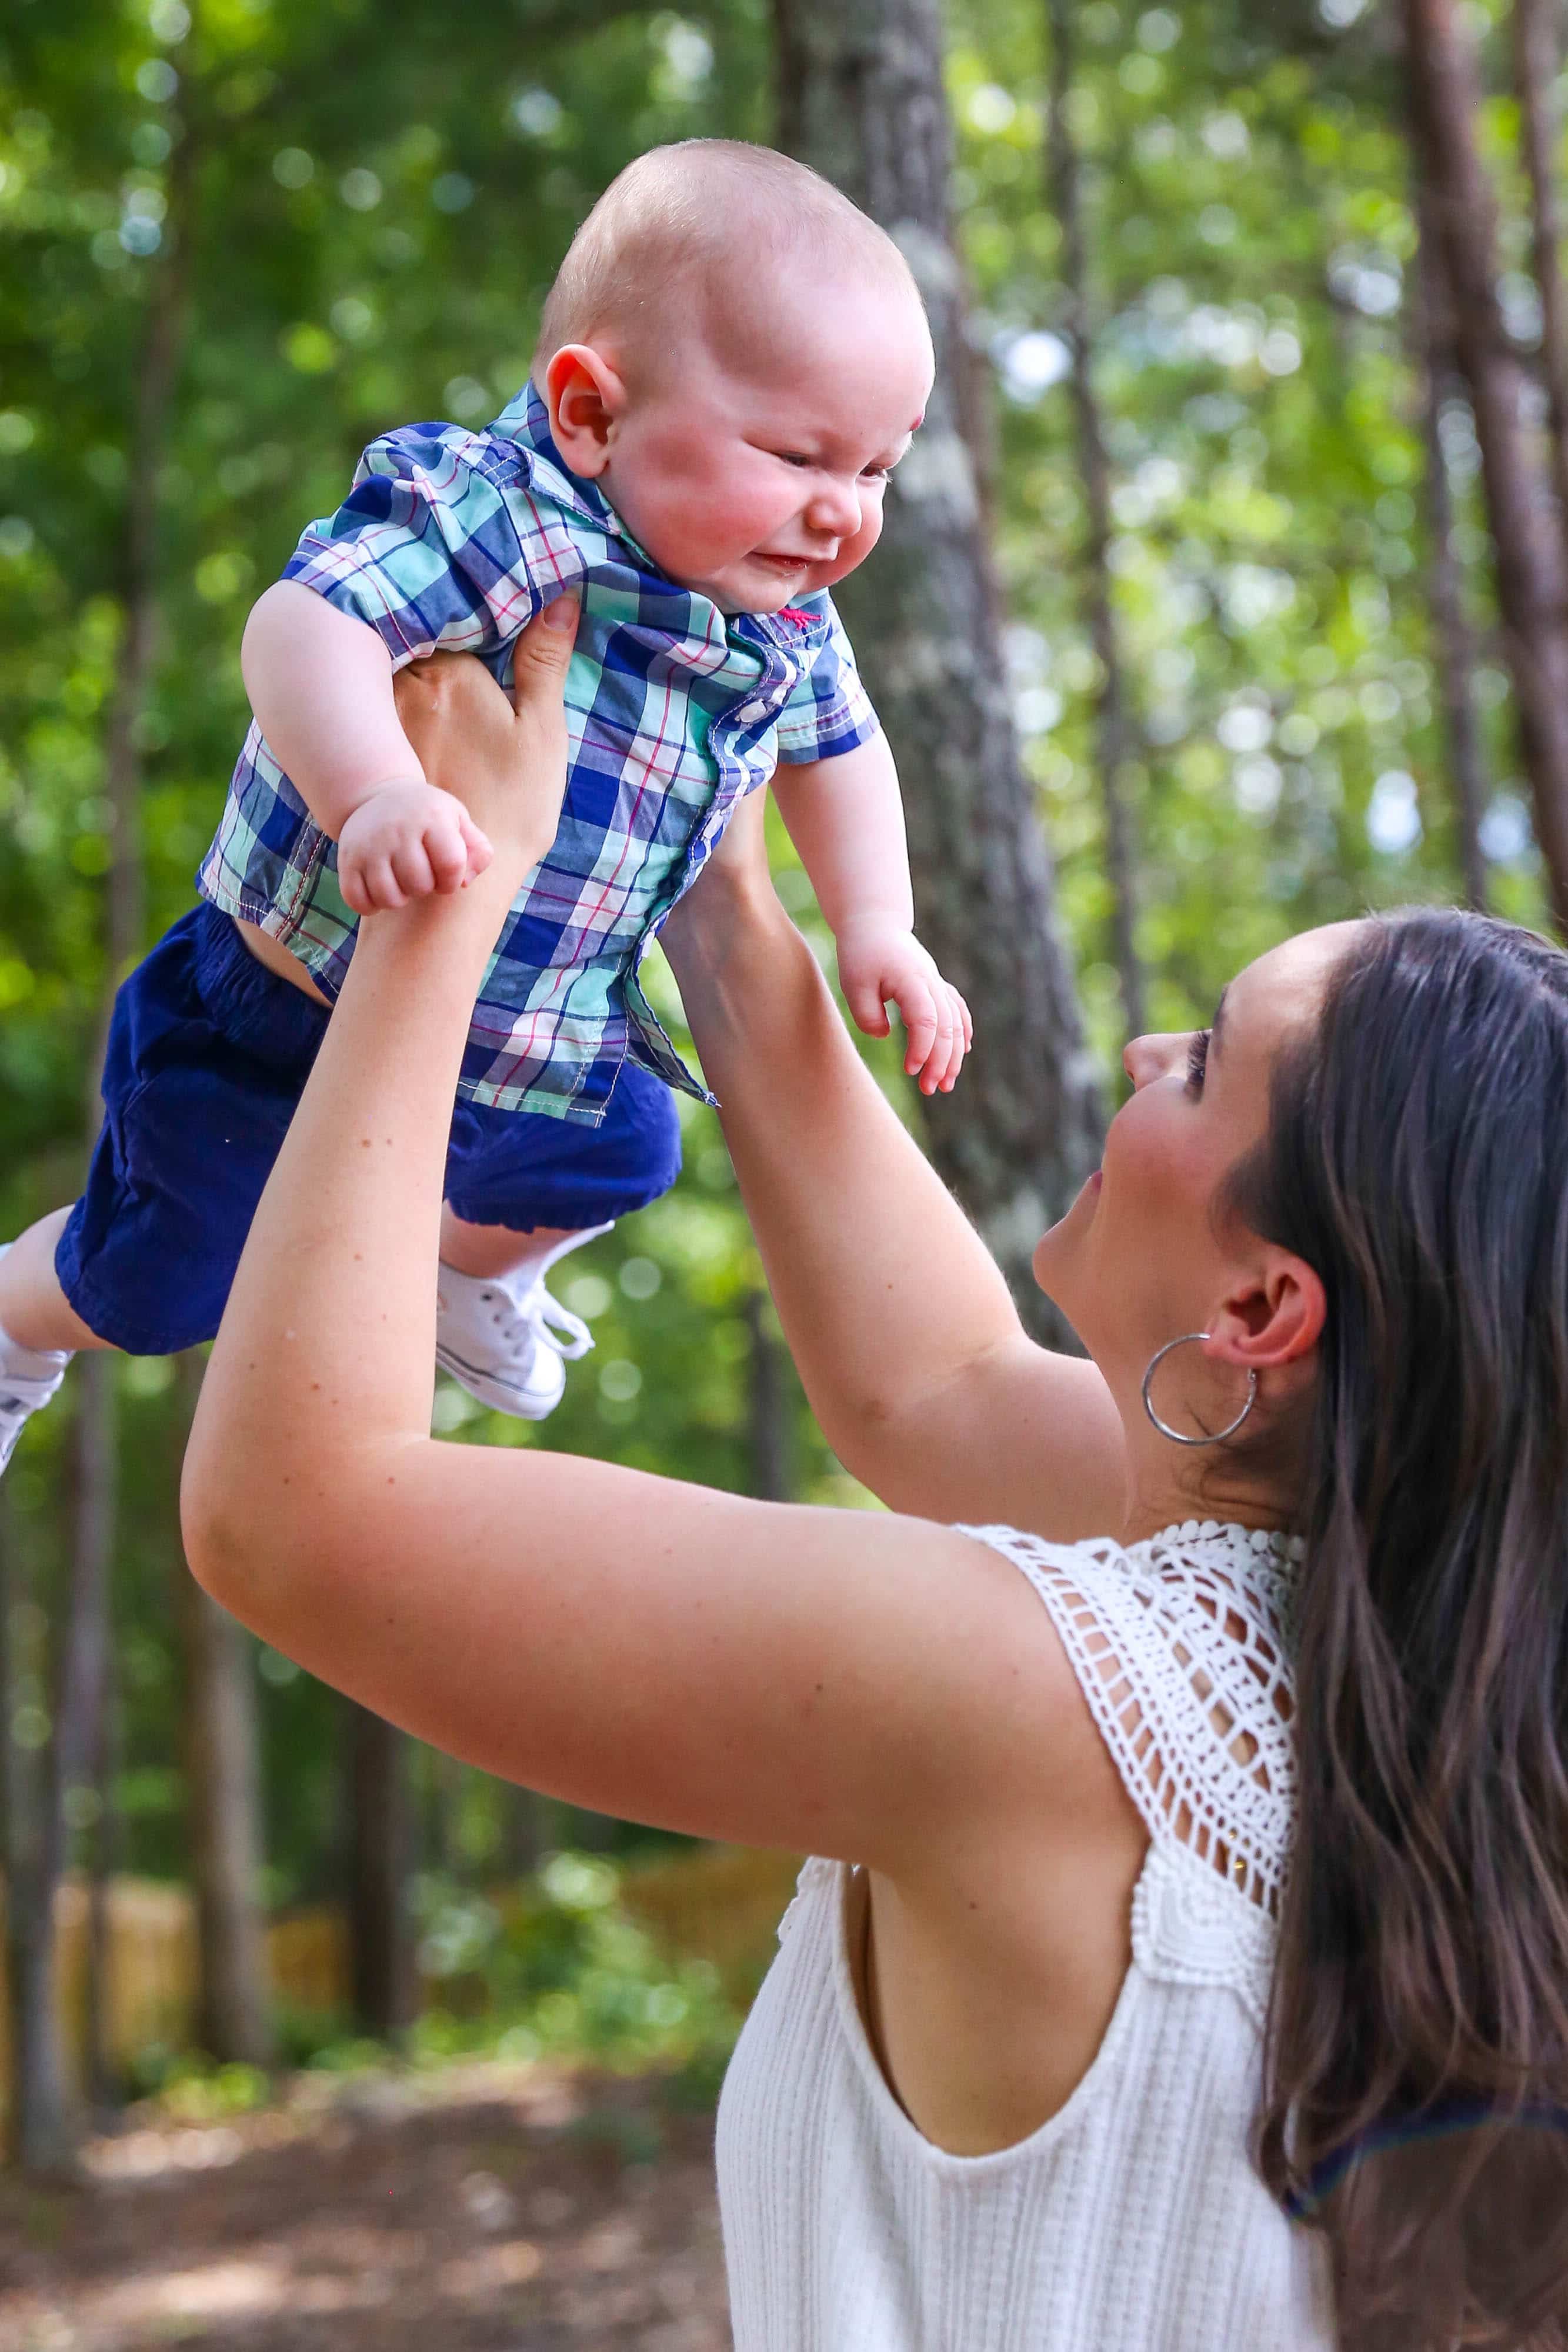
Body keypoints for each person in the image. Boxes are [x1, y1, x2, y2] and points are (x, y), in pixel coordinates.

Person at [182, 616, 1568, 2352]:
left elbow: (299, 1520)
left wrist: (446, 902)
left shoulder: (1043, 1696)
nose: (1146, 1051)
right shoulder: (1418, 1628)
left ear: (1261, 1309)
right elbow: (937, 1392)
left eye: (1205, 1063)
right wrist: (715, 859)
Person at [0, 139, 968, 1473]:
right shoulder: (494, 517)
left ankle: (470, 1277)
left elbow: (842, 750)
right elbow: (300, 629)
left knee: (631, 1149)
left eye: (877, 469)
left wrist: (879, 925)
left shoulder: (784, 613)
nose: (841, 514)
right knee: (165, 1282)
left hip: (526, 1035)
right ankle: (17, 1320)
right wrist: (377, 792)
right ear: (589, 414)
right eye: (800, 453)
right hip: (291, 1007)